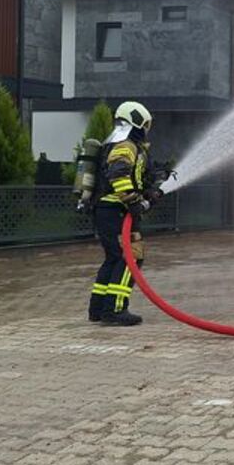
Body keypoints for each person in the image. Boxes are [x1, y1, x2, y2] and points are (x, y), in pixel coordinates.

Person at [88, 101, 159, 326]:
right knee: (131, 257)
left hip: (107, 211)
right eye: (145, 124)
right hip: (116, 211)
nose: (146, 129)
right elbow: (118, 175)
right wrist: (135, 201)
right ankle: (115, 310)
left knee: (114, 258)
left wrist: (150, 191)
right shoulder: (126, 145)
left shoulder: (116, 143)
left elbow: (130, 177)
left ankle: (98, 309)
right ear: (136, 121)